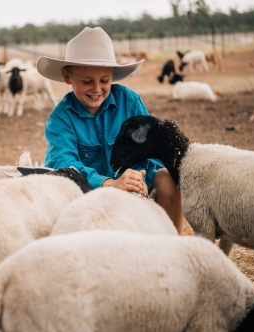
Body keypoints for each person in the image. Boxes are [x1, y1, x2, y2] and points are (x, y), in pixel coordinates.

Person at [36, 27, 186, 234]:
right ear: (67, 76)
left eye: (104, 80)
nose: (97, 89)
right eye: (87, 81)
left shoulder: (130, 102)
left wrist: (137, 177)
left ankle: (172, 246)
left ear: (112, 75)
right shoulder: (61, 118)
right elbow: (62, 163)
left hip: (135, 188)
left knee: (166, 177)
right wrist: (108, 183)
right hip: (87, 195)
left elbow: (154, 149)